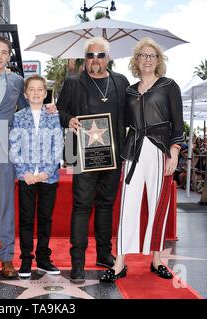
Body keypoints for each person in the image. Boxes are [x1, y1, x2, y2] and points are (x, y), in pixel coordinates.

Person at [0, 36, 57, 278]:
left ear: (9, 56)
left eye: (4, 52)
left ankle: (7, 258)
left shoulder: (18, 82)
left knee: (6, 205)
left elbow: (30, 108)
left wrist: (51, 108)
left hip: (7, 149)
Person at [101, 37, 184, 283]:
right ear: (136, 60)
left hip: (160, 150)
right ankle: (119, 263)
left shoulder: (169, 86)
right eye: (143, 55)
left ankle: (156, 260)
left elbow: (178, 123)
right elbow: (118, 121)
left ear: (159, 60)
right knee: (128, 205)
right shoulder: (128, 90)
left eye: (152, 55)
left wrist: (175, 151)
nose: (147, 59)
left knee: (158, 205)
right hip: (133, 150)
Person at [56, 37, 130, 284]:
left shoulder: (120, 82)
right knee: (81, 206)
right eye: (90, 55)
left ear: (108, 58)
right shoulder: (73, 82)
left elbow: (130, 117)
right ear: (84, 58)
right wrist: (69, 120)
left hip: (114, 154)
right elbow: (60, 110)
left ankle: (103, 254)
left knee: (107, 205)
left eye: (100, 55)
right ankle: (77, 263)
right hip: (82, 155)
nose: (95, 60)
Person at [9, 75, 64, 278]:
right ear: (25, 94)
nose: (36, 93)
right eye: (31, 89)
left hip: (47, 177)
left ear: (45, 92)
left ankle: (43, 258)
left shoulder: (53, 116)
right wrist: (24, 172)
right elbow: (14, 148)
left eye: (40, 89)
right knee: (26, 219)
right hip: (27, 178)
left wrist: (46, 172)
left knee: (44, 218)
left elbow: (58, 146)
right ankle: (25, 260)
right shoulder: (19, 117)